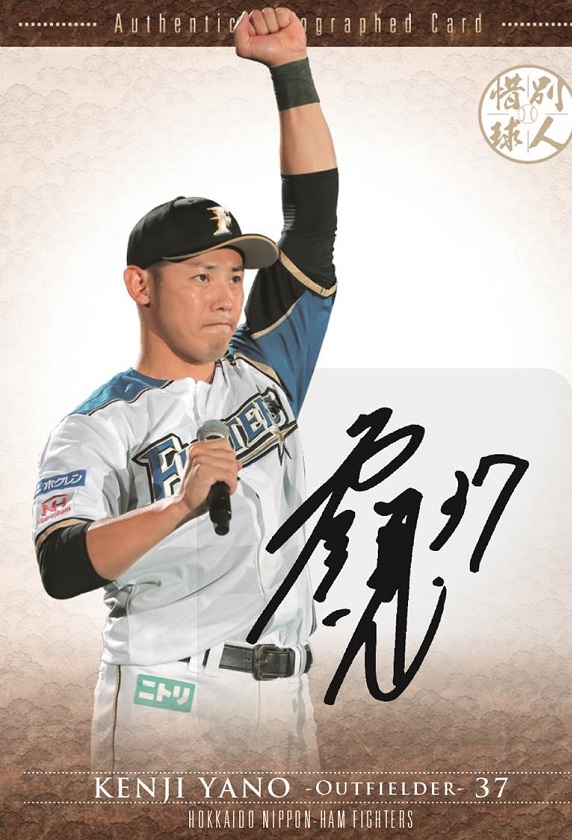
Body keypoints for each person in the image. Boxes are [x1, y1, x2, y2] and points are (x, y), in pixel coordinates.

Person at [32, 7, 337, 770]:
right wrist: (177, 507)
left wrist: (290, 69)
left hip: (288, 697)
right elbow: (61, 566)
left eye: (234, 276)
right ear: (141, 285)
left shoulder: (269, 362)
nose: (226, 296)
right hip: (167, 698)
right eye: (201, 275)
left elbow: (313, 224)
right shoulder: (98, 425)